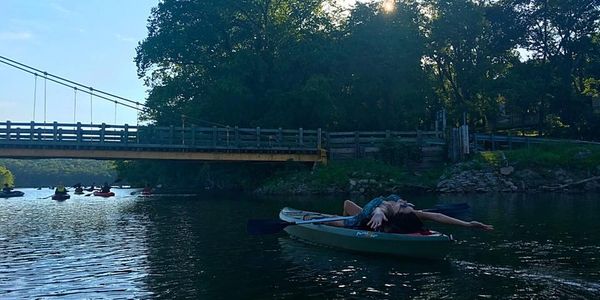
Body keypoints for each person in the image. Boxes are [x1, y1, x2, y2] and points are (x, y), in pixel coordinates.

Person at [326, 194, 493, 233]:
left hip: (378, 210)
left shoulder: (409, 212)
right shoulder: (393, 207)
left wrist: (468, 224)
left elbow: (438, 217)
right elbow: (382, 208)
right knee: (350, 221)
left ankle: (344, 218)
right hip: (374, 210)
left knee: (348, 204)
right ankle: (326, 221)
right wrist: (377, 213)